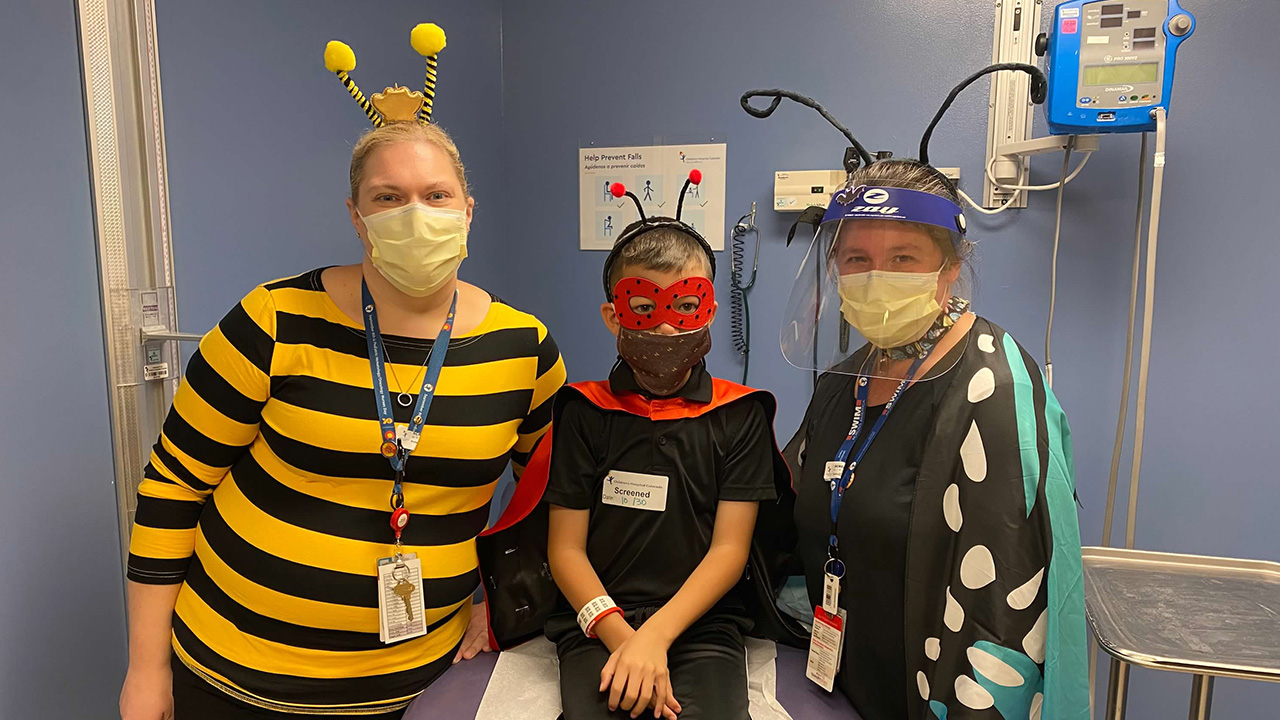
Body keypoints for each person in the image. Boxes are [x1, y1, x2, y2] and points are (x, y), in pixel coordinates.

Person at [118, 25, 565, 719]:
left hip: (421, 685)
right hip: (234, 674)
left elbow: (554, 500)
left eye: (436, 195)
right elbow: (171, 490)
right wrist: (146, 671)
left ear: (468, 212)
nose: (415, 214)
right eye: (388, 198)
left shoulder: (524, 348)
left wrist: (508, 603)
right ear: (356, 218)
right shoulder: (272, 321)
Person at [781, 158, 1089, 720]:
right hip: (845, 683)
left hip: (941, 696)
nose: (877, 279)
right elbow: (789, 510)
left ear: (949, 268)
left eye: (903, 259)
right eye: (858, 260)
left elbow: (1003, 610)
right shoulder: (842, 386)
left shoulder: (992, 389)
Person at [542, 176, 786, 720]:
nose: (669, 326)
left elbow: (730, 550)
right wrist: (621, 636)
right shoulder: (584, 412)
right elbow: (565, 550)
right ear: (613, 316)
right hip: (596, 618)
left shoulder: (739, 413)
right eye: (645, 307)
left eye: (686, 306)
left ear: (710, 312)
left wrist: (654, 638)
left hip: (701, 623)